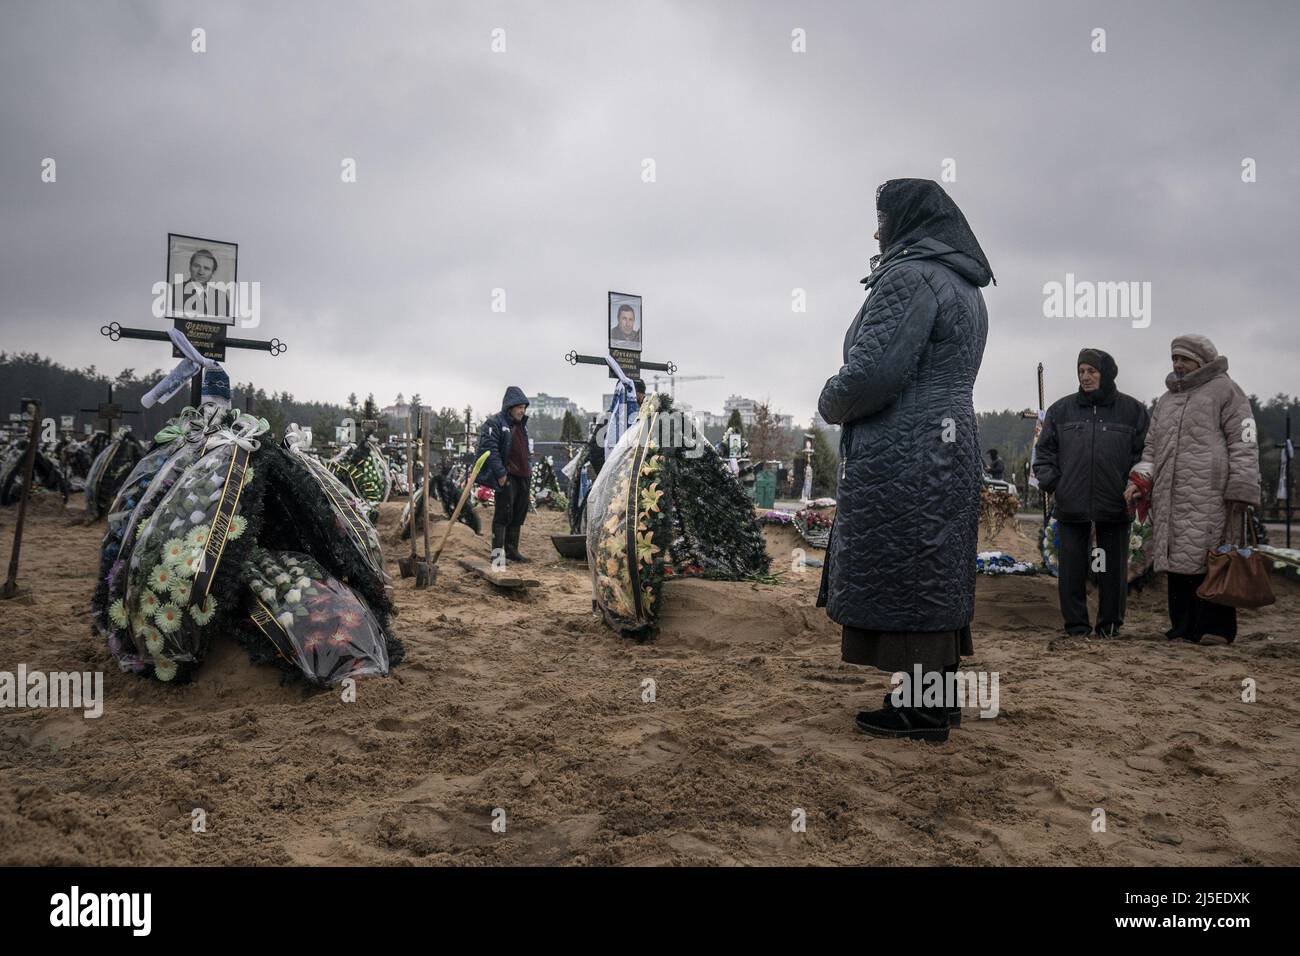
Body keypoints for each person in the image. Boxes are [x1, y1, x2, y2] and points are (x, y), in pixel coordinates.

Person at [816, 178, 993, 743]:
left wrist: (831, 399)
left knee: (908, 568)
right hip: (950, 440)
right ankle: (937, 701)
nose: (876, 231)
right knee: (933, 566)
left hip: (906, 446)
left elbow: (875, 372)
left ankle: (917, 712)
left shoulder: (909, 276)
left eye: (884, 220)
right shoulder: (965, 285)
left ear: (907, 222)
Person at [1124, 335, 1260, 644]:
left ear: (1202, 360)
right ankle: (1182, 627)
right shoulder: (1167, 400)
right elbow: (1151, 449)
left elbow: (1244, 439)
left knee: (1211, 559)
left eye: (1185, 359)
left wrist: (1242, 485)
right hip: (1170, 495)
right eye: (1175, 358)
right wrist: (1139, 482)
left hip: (1211, 493)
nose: (1178, 364)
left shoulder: (1226, 391)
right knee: (1176, 561)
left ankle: (1216, 628)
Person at [1033, 349, 1149, 637]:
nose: (1085, 377)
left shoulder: (1132, 411)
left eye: (1092, 371)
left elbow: (1144, 453)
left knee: (1112, 571)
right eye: (1081, 371)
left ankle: (1110, 624)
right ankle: (1076, 625)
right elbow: (1044, 452)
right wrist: (1056, 484)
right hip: (1072, 503)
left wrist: (1134, 484)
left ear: (1106, 373)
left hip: (1115, 503)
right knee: (1071, 570)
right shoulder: (1061, 411)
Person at [476, 386, 532, 562]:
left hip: (523, 476)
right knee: (503, 515)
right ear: (510, 406)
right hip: (507, 477)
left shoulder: (521, 426)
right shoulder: (496, 423)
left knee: (518, 514)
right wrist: (501, 474)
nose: (522, 411)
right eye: (519, 407)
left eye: (524, 407)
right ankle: (497, 556)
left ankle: (512, 550)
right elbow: (489, 449)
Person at [178, 249, 229, 318]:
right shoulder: (174, 291)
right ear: (190, 267)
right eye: (196, 266)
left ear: (213, 273)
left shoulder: (221, 298)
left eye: (206, 268)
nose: (201, 272)